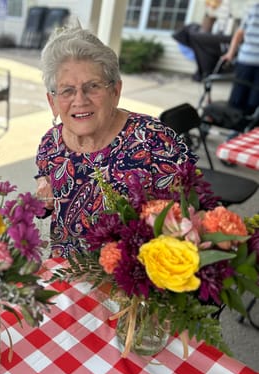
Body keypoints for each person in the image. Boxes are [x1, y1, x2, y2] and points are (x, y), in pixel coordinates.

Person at [34, 21, 199, 259]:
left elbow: (190, 219)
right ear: (53, 102)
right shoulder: (51, 142)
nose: (80, 100)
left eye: (93, 86)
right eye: (67, 90)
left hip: (136, 279)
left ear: (115, 91)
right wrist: (42, 193)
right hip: (69, 274)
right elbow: (46, 191)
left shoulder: (155, 141)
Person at [220, 2, 259, 115]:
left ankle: (237, 125)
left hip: (245, 59)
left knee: (239, 96)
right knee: (254, 99)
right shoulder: (254, 8)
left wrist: (230, 53)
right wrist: (230, 54)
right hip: (247, 59)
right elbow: (240, 33)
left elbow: (239, 33)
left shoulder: (254, 8)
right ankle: (246, 126)